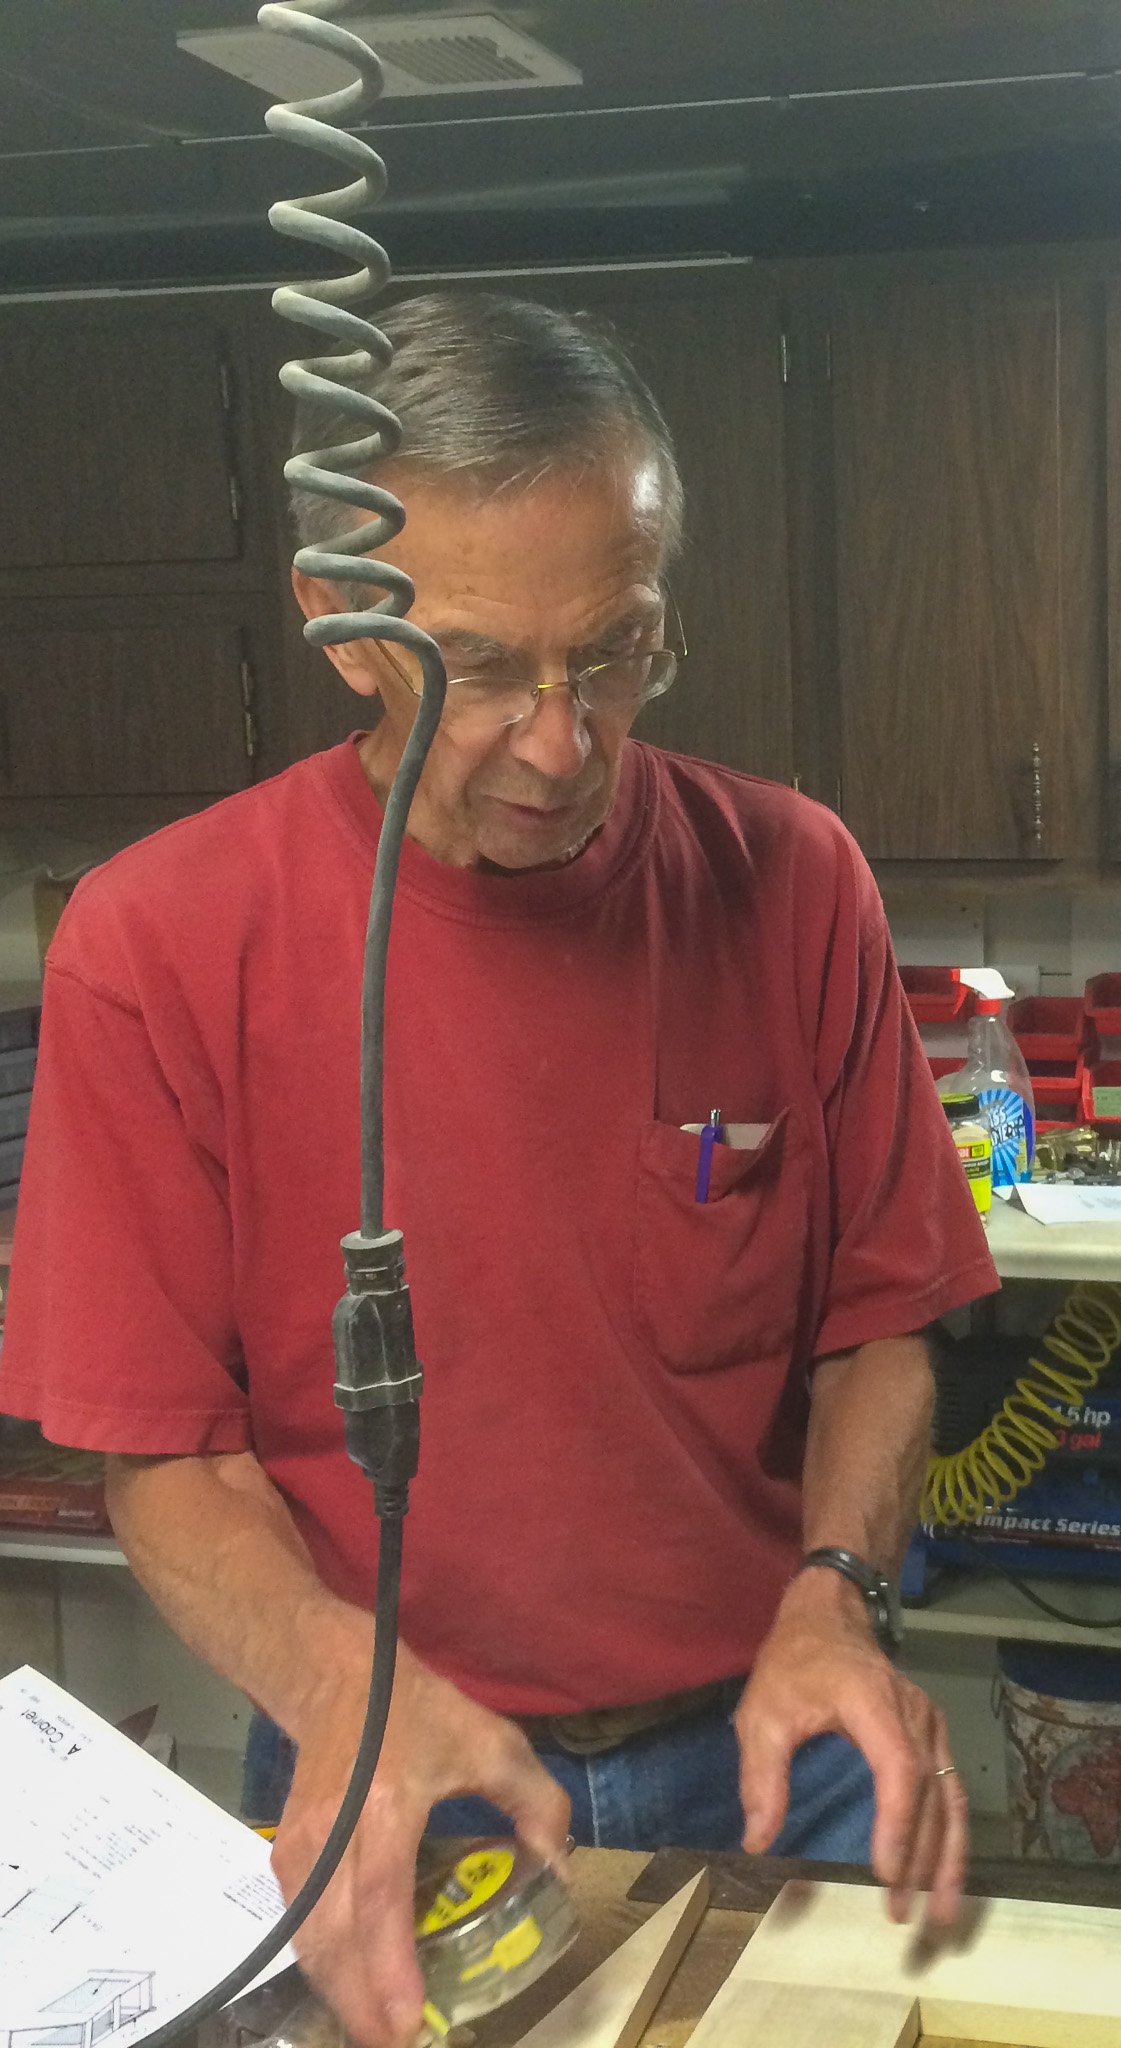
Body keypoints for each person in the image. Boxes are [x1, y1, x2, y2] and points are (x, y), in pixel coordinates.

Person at [0, 292, 998, 2048]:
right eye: (477, 665)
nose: (559, 739)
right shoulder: (155, 946)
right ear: (340, 622)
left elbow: (879, 1330)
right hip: (392, 1773)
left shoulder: (793, 880)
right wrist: (342, 1693)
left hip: (773, 1759)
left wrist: (839, 1596)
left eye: (611, 653)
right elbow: (161, 1453)